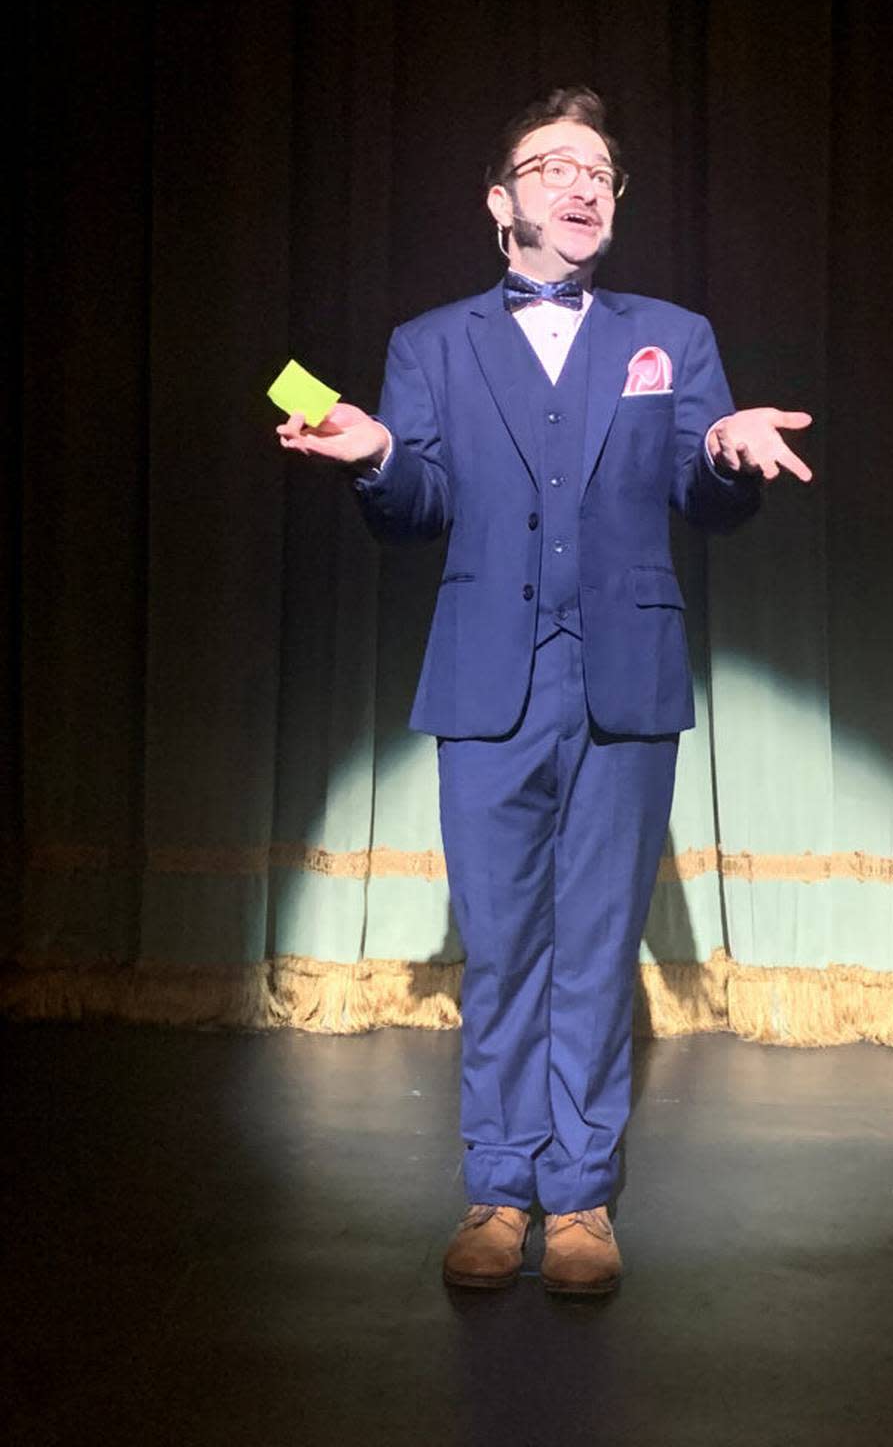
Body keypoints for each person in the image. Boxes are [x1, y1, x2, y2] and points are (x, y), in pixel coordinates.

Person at [277, 87, 812, 1295]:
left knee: (595, 948)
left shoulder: (671, 333)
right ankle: (496, 1185)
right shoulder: (432, 343)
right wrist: (375, 459)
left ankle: (580, 1198)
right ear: (500, 200)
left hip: (625, 681)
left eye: (603, 172)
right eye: (556, 165)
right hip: (485, 687)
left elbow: (703, 490)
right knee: (506, 944)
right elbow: (418, 512)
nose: (583, 185)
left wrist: (729, 453)